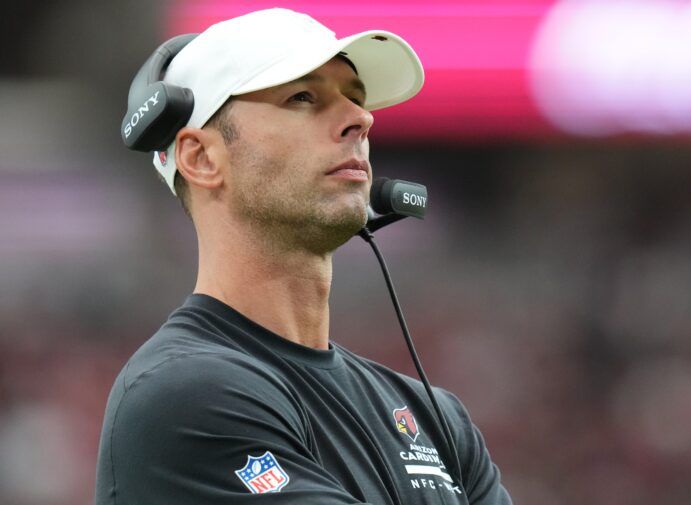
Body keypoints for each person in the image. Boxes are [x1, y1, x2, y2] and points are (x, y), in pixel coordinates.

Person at [95, 8, 512, 505]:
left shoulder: (437, 419)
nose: (361, 118)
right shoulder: (180, 395)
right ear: (201, 158)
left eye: (356, 98)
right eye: (302, 97)